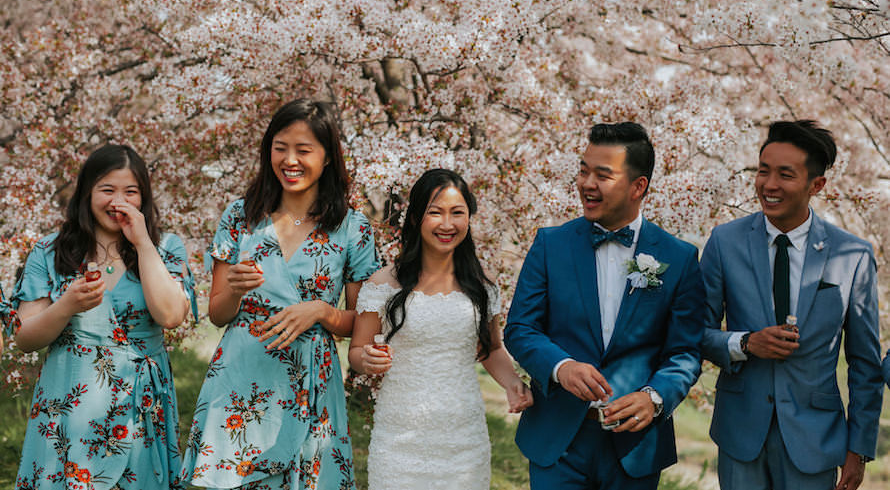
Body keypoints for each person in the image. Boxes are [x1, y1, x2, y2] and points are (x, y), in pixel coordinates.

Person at [179, 99, 379, 490]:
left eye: (304, 150)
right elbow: (218, 314)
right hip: (242, 377)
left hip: (311, 381)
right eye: (280, 147)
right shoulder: (241, 216)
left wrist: (321, 311)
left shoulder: (353, 228)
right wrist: (234, 291)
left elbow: (361, 325)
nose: (290, 160)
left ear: (327, 158)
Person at [504, 122, 705, 490]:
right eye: (583, 171)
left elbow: (686, 352)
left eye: (602, 175)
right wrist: (560, 367)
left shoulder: (679, 259)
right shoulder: (550, 245)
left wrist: (655, 398)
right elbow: (520, 328)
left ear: (638, 186)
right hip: (557, 442)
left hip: (636, 448)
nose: (586, 184)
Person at [701, 120, 883, 490]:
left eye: (785, 174)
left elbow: (865, 362)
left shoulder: (854, 255)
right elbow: (691, 332)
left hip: (815, 439)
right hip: (740, 433)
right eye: (763, 171)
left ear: (817, 185)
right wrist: (745, 343)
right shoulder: (724, 241)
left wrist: (859, 447)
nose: (769, 185)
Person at [3, 144, 196, 489]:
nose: (116, 201)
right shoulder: (51, 251)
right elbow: (24, 338)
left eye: (130, 192)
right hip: (69, 402)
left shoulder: (165, 247)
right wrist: (66, 306)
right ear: (87, 192)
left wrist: (143, 244)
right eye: (106, 190)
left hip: (140, 404)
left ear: (144, 198)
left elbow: (169, 315)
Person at [348, 168, 533, 490]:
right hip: (399, 438)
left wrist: (512, 383)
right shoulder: (382, 284)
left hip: (464, 439)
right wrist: (367, 360)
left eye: (457, 213)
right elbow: (356, 351)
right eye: (436, 213)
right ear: (417, 217)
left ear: (469, 219)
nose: (447, 224)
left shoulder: (481, 287)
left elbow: (491, 349)